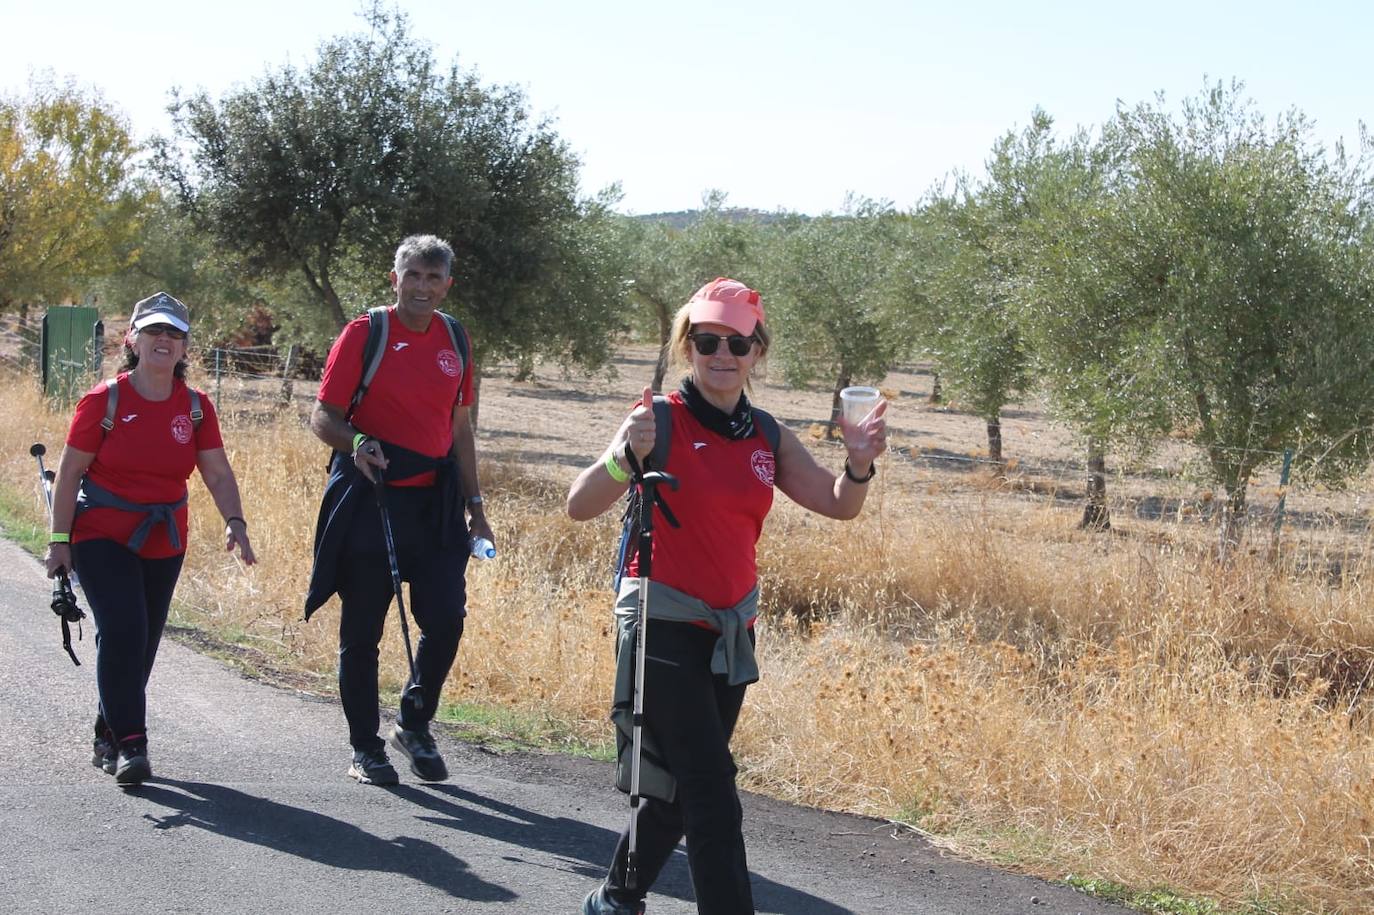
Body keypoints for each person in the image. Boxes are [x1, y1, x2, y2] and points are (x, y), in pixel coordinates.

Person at [567, 277, 888, 915]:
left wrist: (857, 465)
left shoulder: (765, 434)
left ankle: (614, 897)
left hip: (732, 631)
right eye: (707, 340)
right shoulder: (656, 419)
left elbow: (837, 506)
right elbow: (579, 505)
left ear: (756, 352)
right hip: (662, 621)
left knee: (681, 793)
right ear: (688, 347)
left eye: (737, 343)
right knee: (713, 790)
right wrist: (621, 461)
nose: (722, 353)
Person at [44, 292, 256, 787]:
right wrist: (59, 541)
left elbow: (217, 472)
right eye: (155, 331)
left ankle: (108, 729)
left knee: (142, 645)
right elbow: (71, 472)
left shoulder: (197, 407)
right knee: (123, 631)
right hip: (101, 533)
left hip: (164, 537)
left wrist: (235, 521)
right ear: (132, 340)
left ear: (184, 348)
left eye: (175, 334)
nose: (164, 340)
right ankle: (132, 746)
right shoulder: (105, 400)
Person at [305, 234, 492, 786]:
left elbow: (461, 428)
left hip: (436, 502)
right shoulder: (367, 332)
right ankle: (365, 746)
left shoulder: (455, 337)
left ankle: (413, 722)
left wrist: (475, 506)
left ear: (447, 285)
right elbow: (323, 416)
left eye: (433, 278)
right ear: (396, 279)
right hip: (372, 494)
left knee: (446, 620)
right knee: (361, 631)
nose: (422, 287)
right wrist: (357, 441)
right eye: (413, 275)